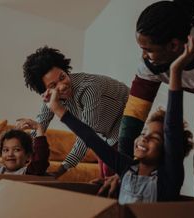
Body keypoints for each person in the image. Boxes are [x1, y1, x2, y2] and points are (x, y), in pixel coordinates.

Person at [46, 36, 194, 204]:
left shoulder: (169, 177)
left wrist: (175, 71)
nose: (144, 137)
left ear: (168, 149)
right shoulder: (126, 168)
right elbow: (89, 137)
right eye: (144, 133)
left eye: (155, 138)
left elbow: (172, 127)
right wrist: (58, 110)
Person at [119, 0, 194, 196]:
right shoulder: (149, 65)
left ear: (174, 45)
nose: (143, 56)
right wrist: (122, 172)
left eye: (148, 50)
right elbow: (132, 119)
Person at [23, 46, 129, 178]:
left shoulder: (89, 88)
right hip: (104, 133)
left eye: (62, 77)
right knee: (105, 178)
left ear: (66, 70)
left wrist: (61, 170)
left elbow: (85, 136)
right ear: (45, 90)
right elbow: (41, 123)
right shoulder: (51, 97)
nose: (61, 86)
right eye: (52, 85)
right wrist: (22, 149)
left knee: (113, 176)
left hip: (126, 124)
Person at [0, 111, 50, 175]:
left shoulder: (28, 172)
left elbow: (40, 160)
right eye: (5, 150)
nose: (10, 154)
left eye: (16, 150)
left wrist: (39, 129)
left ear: (28, 156)